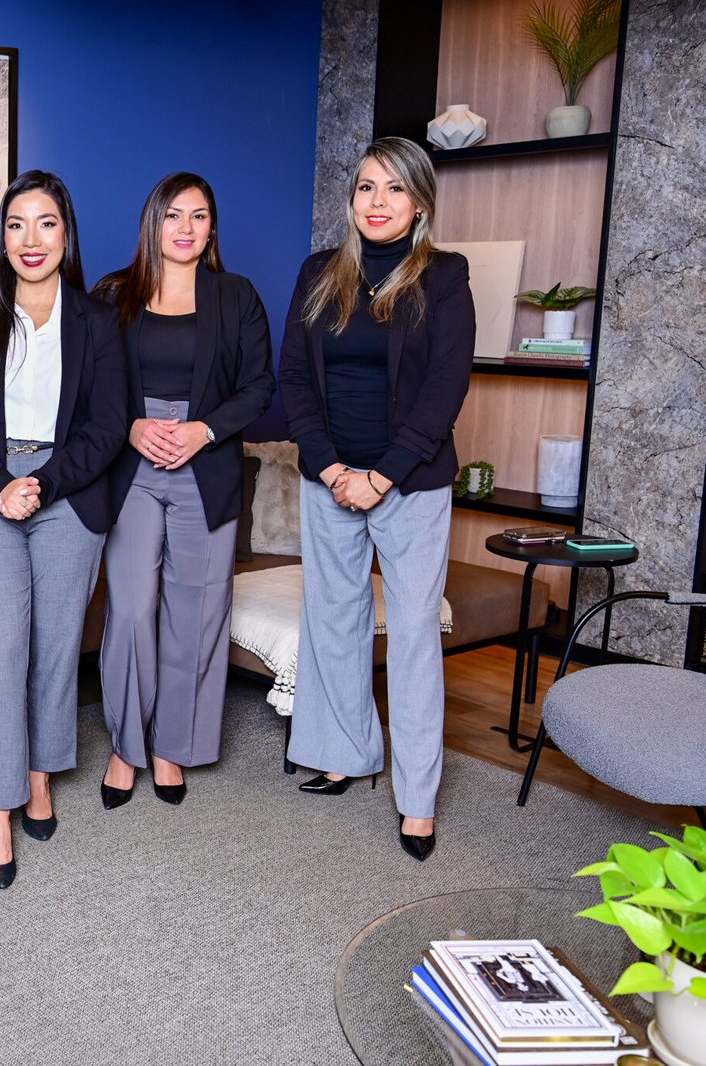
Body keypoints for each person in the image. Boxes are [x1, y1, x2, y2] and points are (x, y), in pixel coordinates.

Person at [278, 136, 474, 862]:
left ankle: (417, 800)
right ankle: (343, 755)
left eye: (394, 189)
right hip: (330, 478)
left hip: (410, 483)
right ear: (352, 199)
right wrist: (332, 470)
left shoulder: (444, 276)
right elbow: (294, 378)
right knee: (334, 621)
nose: (378, 202)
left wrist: (381, 476)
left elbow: (446, 386)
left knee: (416, 634)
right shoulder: (318, 272)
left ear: (419, 203)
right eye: (366, 187)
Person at [0, 170, 126, 889]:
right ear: (2, 237)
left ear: (66, 233)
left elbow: (109, 424)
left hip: (66, 491)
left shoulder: (96, 319)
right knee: (1, 649)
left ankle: (41, 774)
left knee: (55, 644)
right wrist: (0, 483)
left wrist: (42, 483)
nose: (30, 239)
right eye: (16, 225)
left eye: (46, 223)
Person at [92, 172, 275, 808]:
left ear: (211, 227)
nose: (185, 227)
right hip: (132, 466)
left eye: (198, 216)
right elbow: (88, 381)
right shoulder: (114, 293)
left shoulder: (237, 295)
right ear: (153, 222)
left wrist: (203, 430)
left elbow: (259, 386)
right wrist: (132, 425)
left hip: (207, 464)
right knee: (132, 608)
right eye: (173, 215)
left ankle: (172, 747)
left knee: (196, 614)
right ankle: (126, 746)